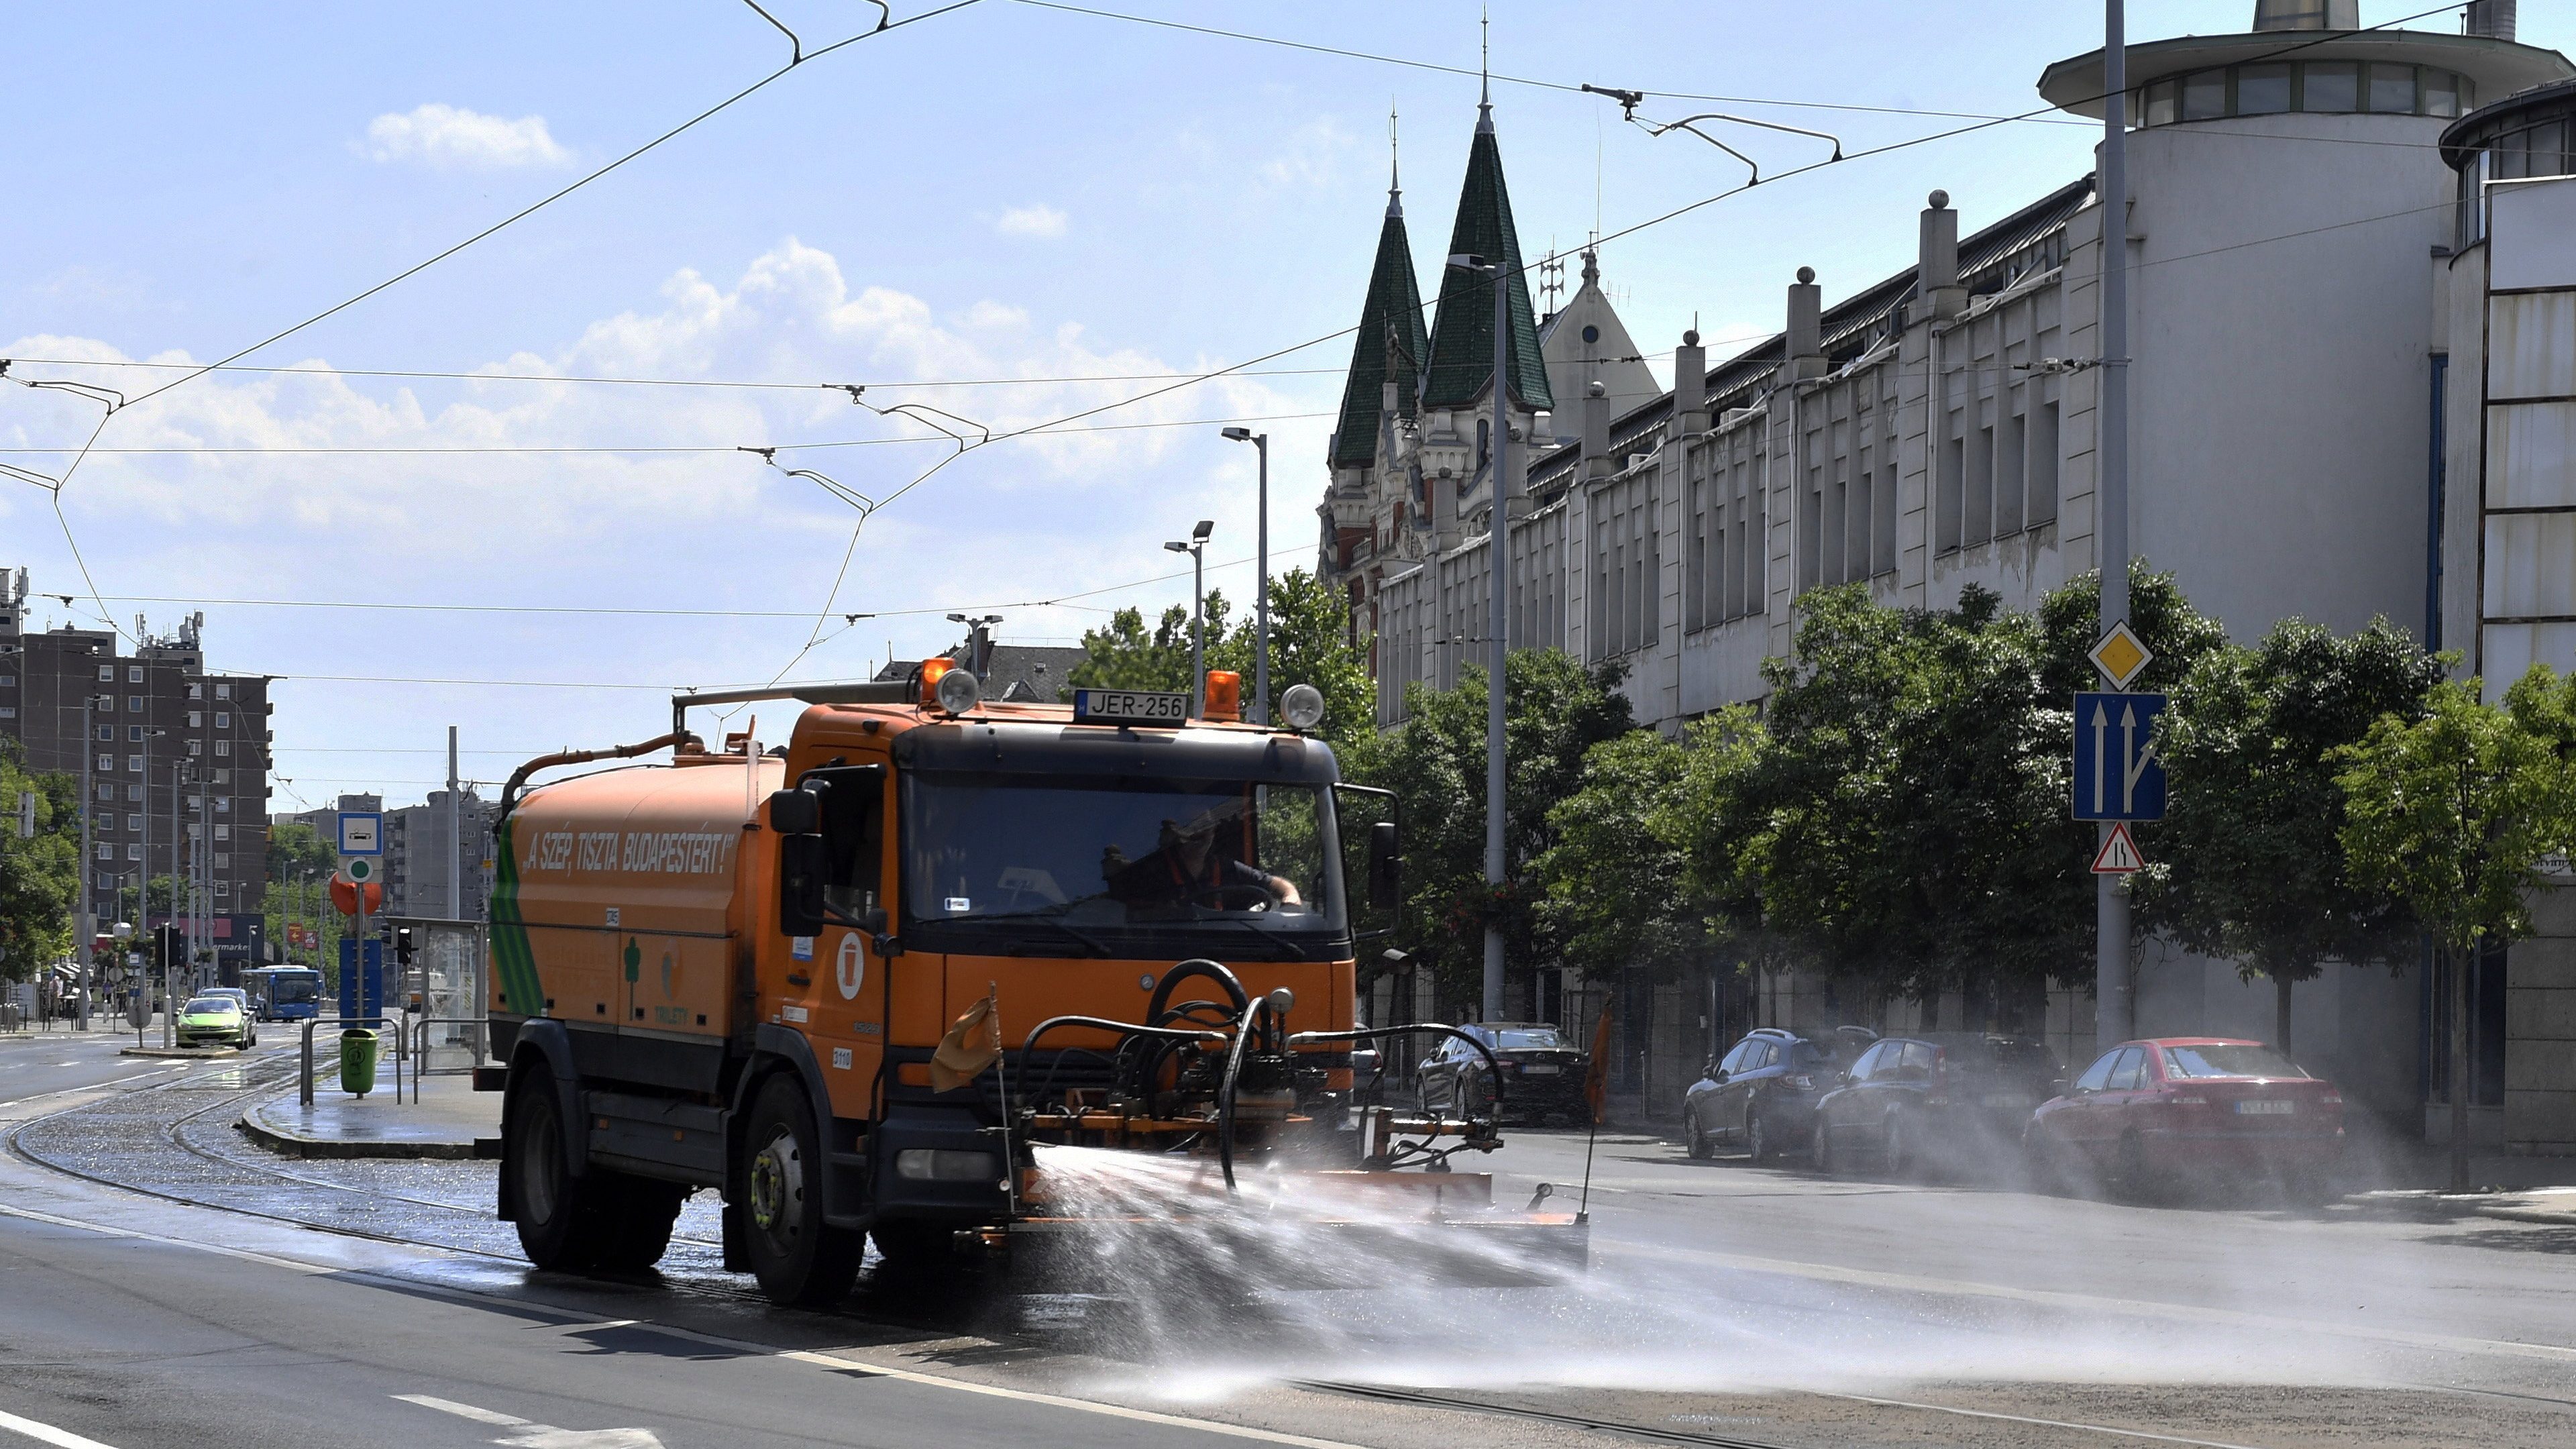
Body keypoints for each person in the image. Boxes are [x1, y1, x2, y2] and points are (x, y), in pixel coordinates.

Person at [1102, 810, 1300, 911]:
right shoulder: (1151, 870)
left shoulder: (1225, 867)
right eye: (1192, 827)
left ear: (1213, 832)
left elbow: (1275, 884)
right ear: (1179, 833)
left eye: (1206, 826)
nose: (1199, 833)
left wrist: (1291, 898)